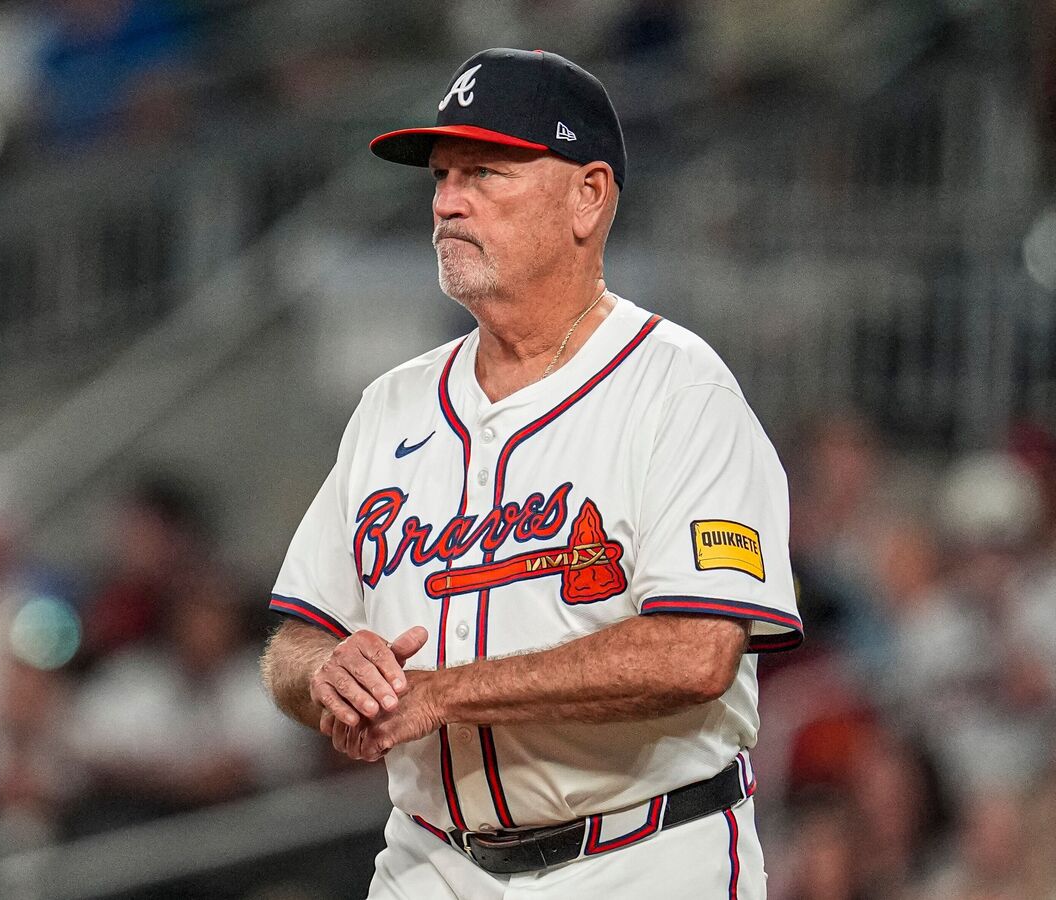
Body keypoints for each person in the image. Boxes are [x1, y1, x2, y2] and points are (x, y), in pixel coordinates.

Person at [259, 48, 802, 898]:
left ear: (588, 196)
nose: (447, 202)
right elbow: (295, 641)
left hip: (642, 854)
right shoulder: (391, 406)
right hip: (430, 861)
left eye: (484, 170)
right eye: (441, 176)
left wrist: (443, 694)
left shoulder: (679, 389)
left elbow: (697, 652)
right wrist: (330, 674)